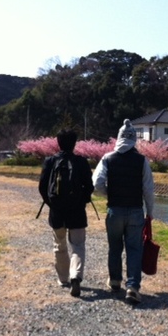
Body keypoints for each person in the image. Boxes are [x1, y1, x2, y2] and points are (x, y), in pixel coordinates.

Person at [92, 119, 155, 303]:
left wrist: (108, 194)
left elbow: (96, 183)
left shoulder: (107, 158)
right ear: (134, 140)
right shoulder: (142, 161)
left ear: (119, 138)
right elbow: (148, 189)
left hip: (114, 210)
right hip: (135, 211)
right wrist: (150, 212)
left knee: (115, 247)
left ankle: (114, 281)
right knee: (134, 249)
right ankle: (133, 287)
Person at [38, 129, 94, 297]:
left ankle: (63, 278)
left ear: (58, 142)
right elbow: (89, 187)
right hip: (77, 212)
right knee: (78, 245)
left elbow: (42, 187)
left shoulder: (50, 161)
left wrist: (51, 203)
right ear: (74, 143)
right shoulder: (81, 162)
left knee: (59, 245)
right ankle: (75, 276)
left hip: (57, 212)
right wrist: (81, 201)